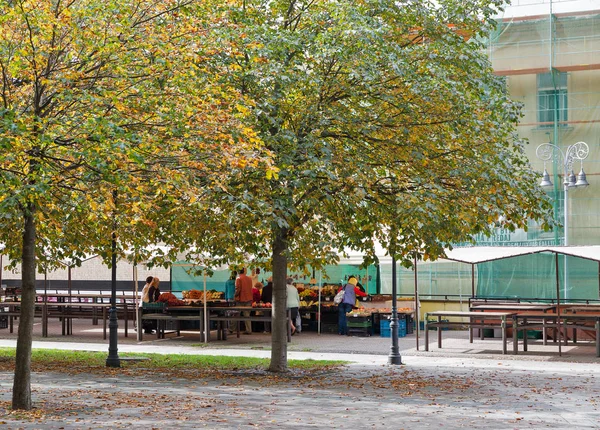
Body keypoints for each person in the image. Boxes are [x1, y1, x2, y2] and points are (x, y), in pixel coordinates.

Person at [235, 267, 254, 334]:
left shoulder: (238, 279)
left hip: (240, 299)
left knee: (236, 314)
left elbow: (238, 289)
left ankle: (232, 329)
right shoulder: (249, 279)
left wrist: (235, 295)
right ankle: (249, 330)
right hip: (249, 298)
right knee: (247, 315)